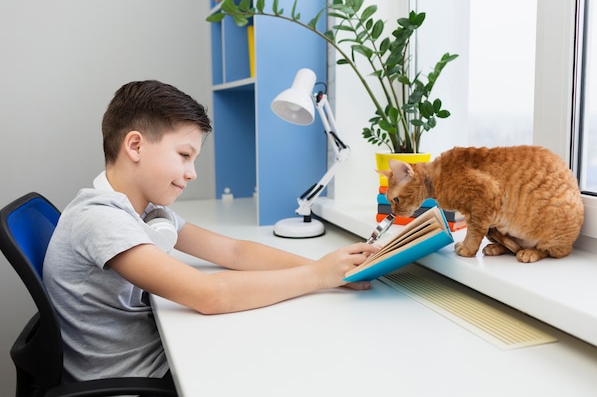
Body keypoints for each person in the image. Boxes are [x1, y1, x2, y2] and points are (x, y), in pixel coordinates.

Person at [42, 80, 378, 383]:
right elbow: (209, 294)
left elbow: (233, 251)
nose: (192, 173)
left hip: (150, 360)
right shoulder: (101, 219)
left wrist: (324, 268)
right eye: (184, 155)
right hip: (135, 379)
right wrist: (318, 277)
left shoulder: (143, 211)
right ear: (135, 146)